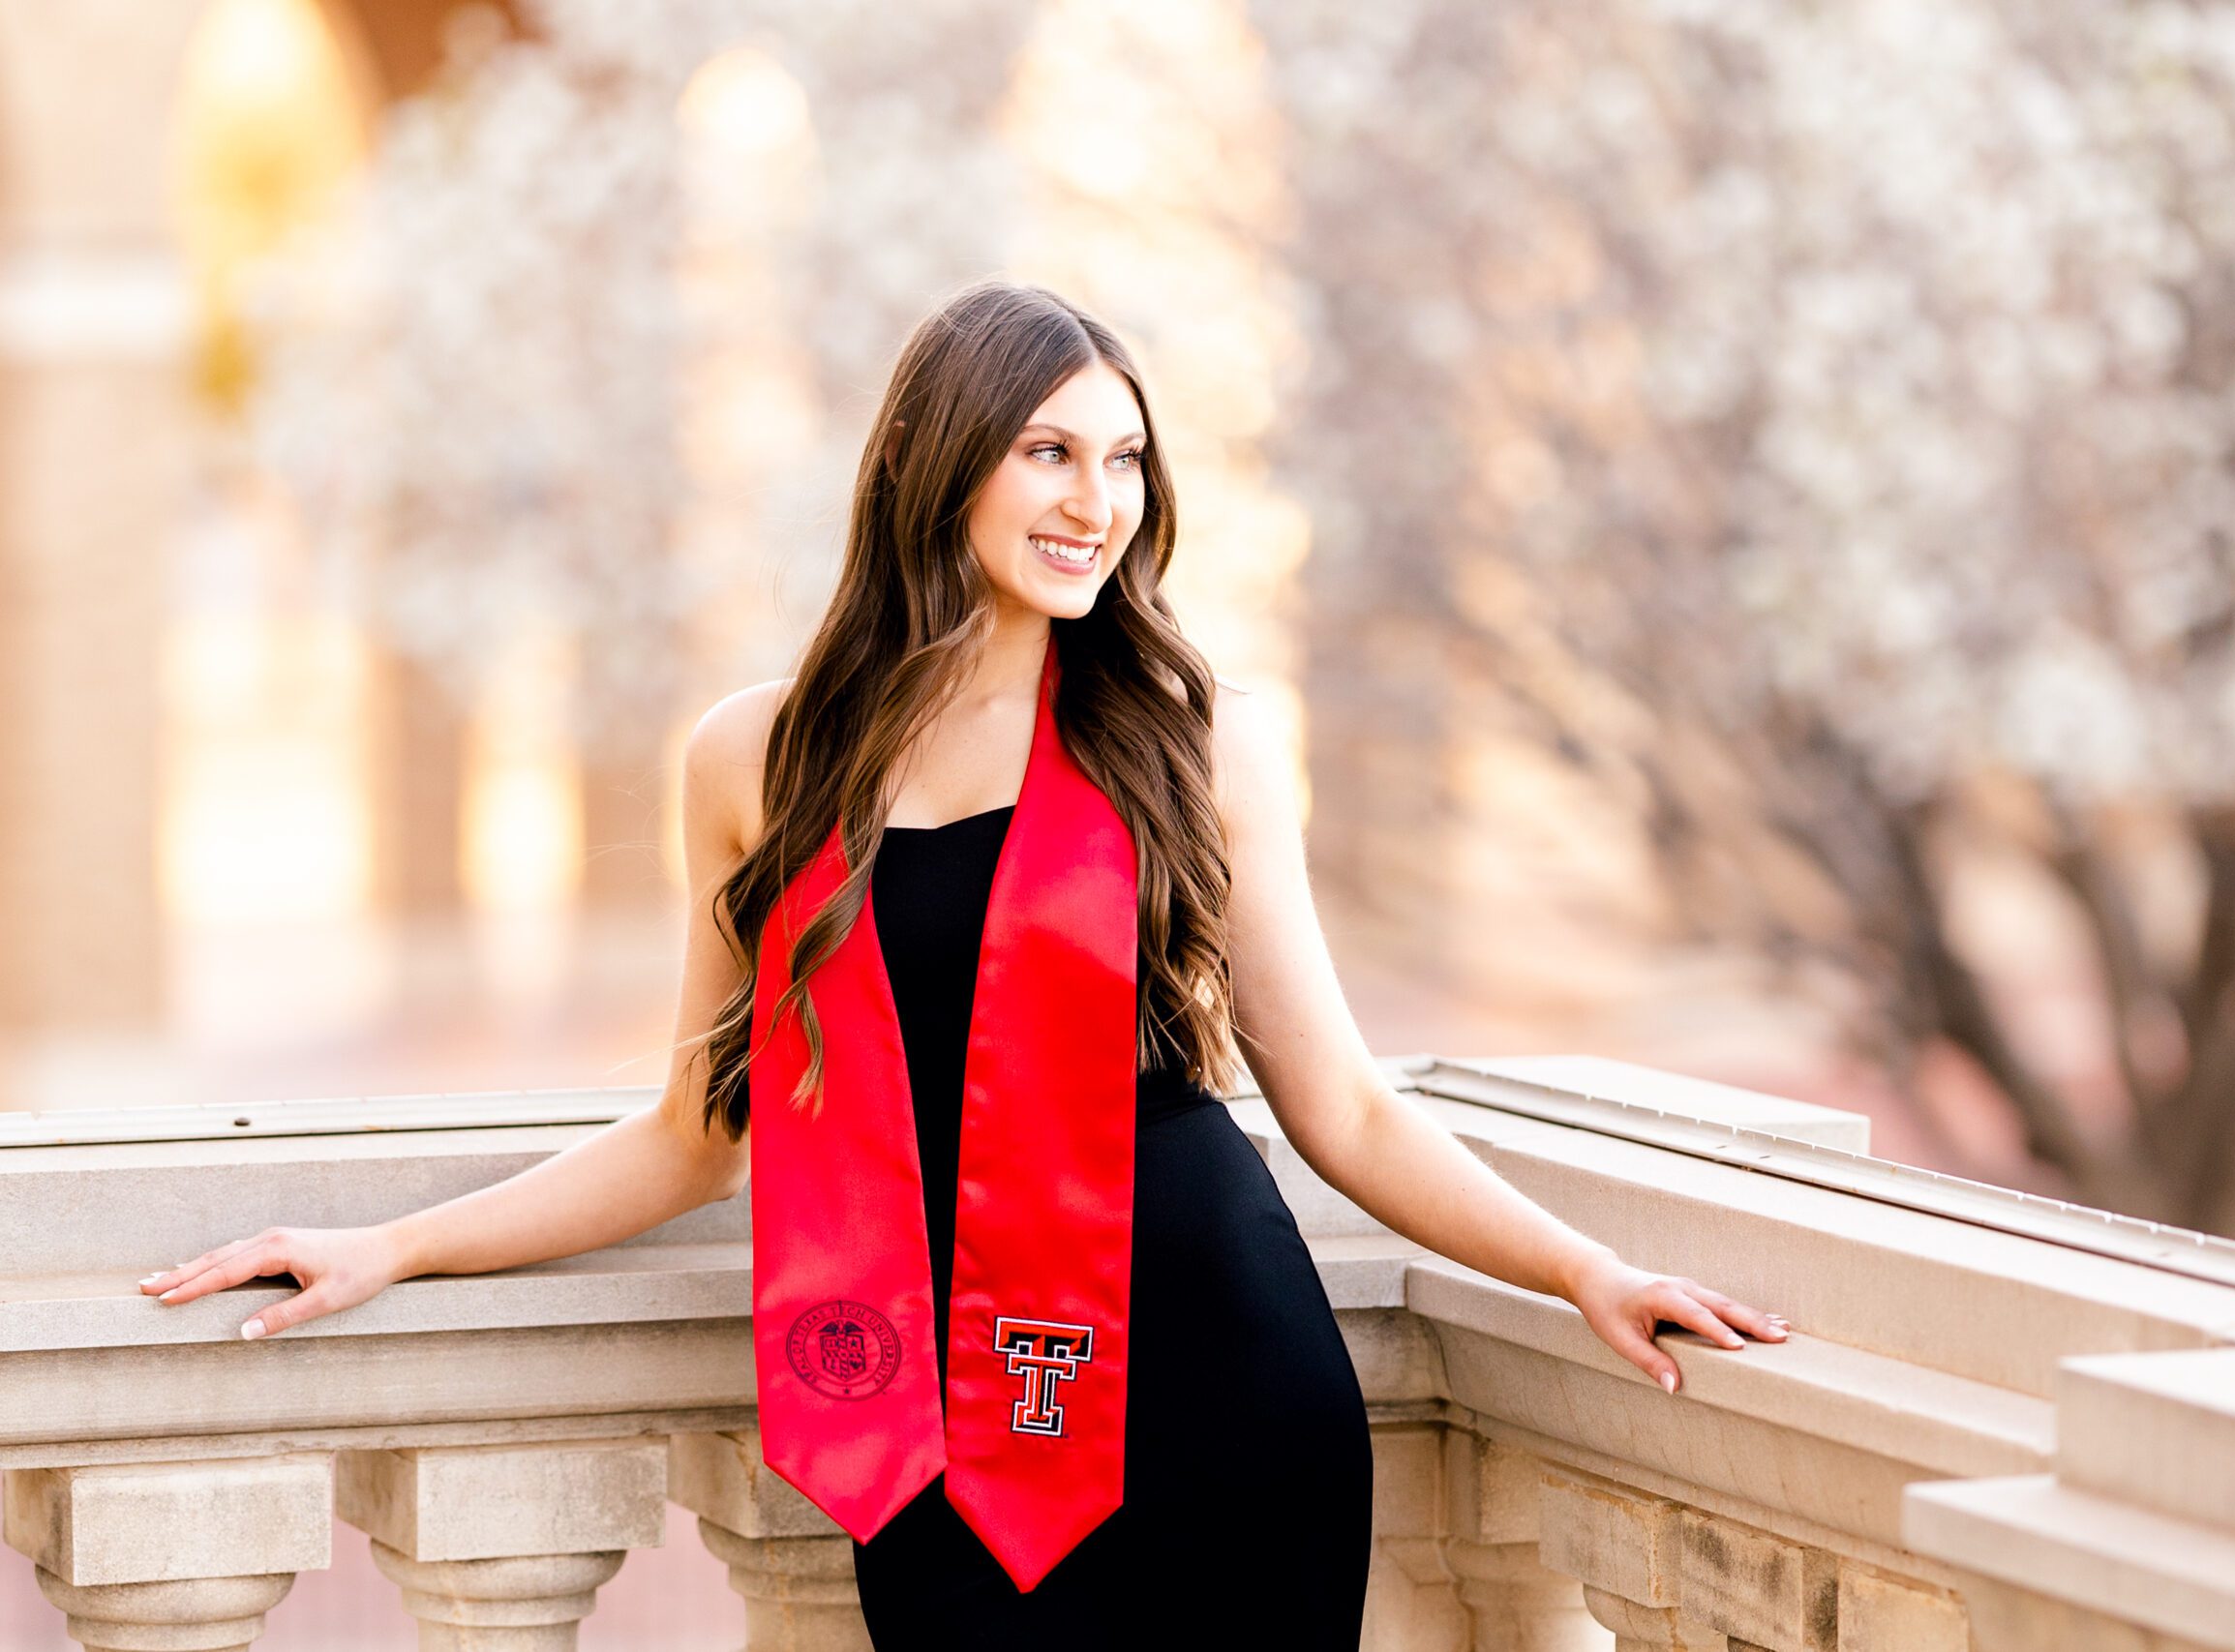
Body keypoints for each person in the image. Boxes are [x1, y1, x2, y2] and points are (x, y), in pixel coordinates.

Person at [139, 278, 1790, 1646]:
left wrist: (1581, 1267)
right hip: (929, 1419)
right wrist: (394, 1249)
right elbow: (695, 1134)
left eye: (1127, 460)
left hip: (1216, 1383)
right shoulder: (759, 761)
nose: (1097, 502)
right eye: (1048, 450)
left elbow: (1342, 1106)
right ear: (942, 467)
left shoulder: (1182, 740)